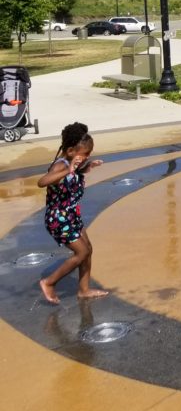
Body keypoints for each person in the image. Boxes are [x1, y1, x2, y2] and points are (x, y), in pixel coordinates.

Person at [37, 122, 109, 304]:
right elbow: (42, 181)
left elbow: (71, 176)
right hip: (59, 219)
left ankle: (84, 290)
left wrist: (86, 167)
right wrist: (68, 170)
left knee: (88, 249)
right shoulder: (60, 166)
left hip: (70, 215)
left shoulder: (70, 164)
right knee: (81, 252)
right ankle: (49, 282)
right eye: (85, 154)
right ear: (70, 151)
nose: (87, 156)